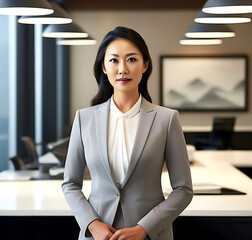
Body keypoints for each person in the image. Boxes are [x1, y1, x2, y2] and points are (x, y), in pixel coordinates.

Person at [62, 26, 193, 240]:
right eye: (114, 60)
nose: (123, 69)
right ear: (103, 67)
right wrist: (93, 225)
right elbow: (70, 184)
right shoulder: (84, 119)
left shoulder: (167, 119)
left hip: (152, 235)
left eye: (131, 59)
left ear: (145, 64)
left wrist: (144, 228)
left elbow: (183, 190)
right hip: (97, 235)